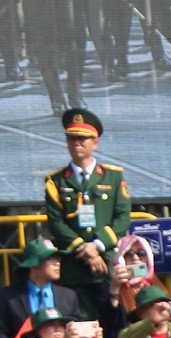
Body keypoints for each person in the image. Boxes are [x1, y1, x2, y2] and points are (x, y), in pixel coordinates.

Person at [40, 108, 132, 322]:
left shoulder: (113, 176)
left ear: (95, 142)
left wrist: (97, 246)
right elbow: (56, 222)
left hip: (107, 263)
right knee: (82, 325)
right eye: (71, 138)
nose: (76, 143)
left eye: (82, 138)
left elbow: (122, 217)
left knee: (114, 321)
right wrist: (86, 251)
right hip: (75, 267)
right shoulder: (56, 181)